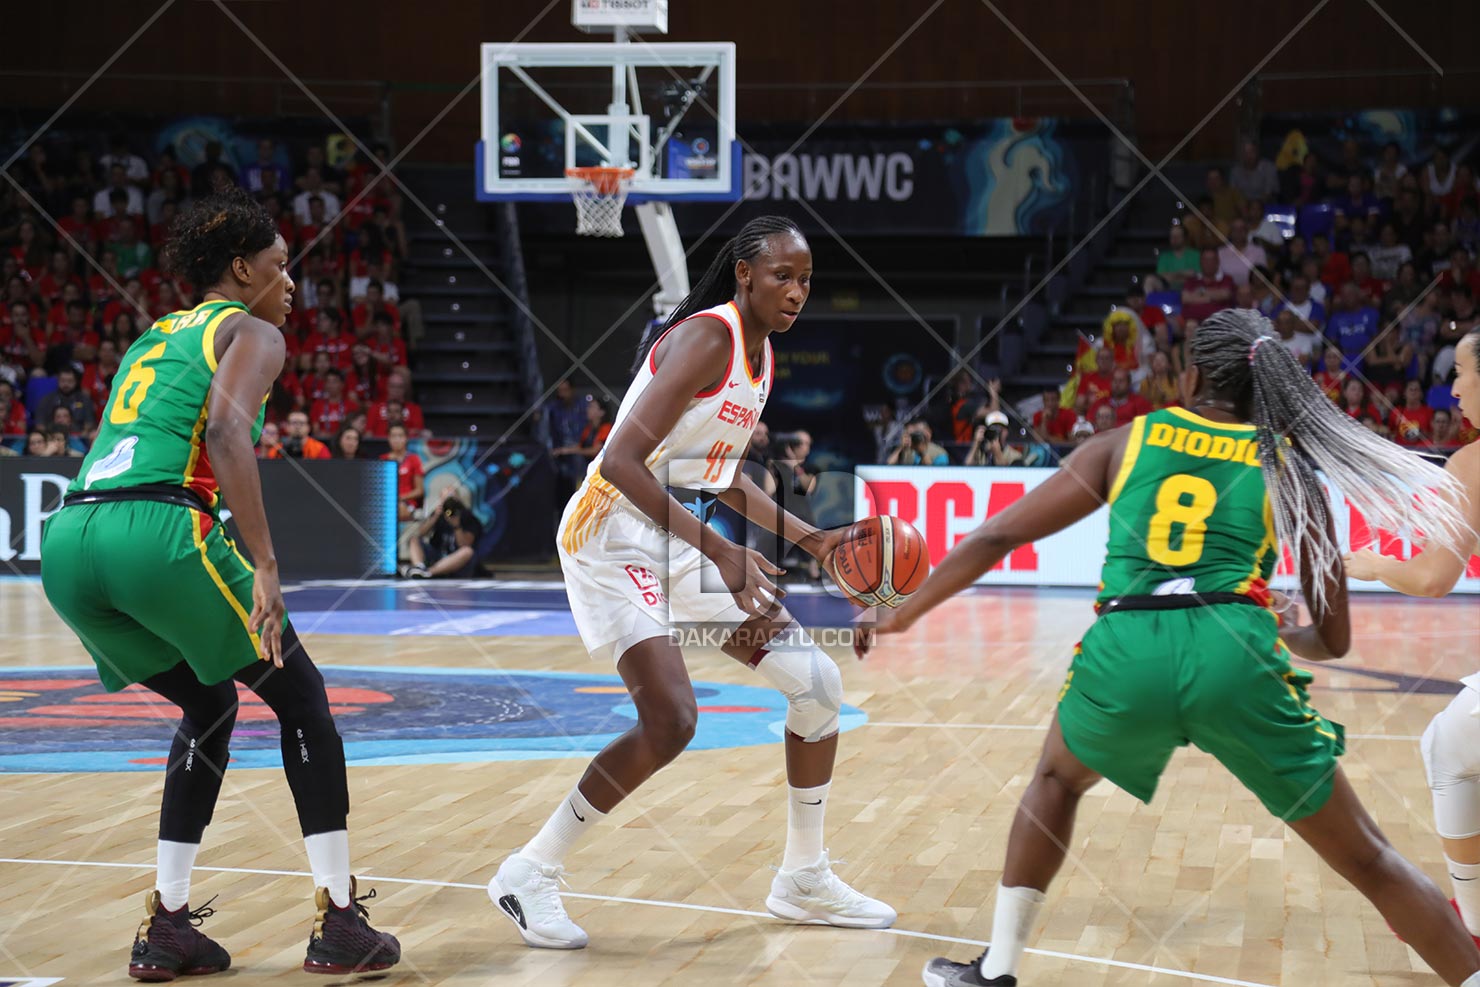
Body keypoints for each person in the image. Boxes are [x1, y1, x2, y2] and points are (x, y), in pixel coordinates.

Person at [858, 309, 1480, 987]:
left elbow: (994, 537)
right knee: (1368, 858)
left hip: (1128, 647)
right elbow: (1333, 639)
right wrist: (1283, 630)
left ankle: (997, 968)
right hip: (1235, 651)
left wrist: (900, 611)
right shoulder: (1291, 465)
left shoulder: (1129, 440)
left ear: (1189, 376)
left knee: (1056, 780)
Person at [487, 216, 893, 951]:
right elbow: (619, 462)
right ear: (744, 273)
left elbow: (721, 472)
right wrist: (723, 553)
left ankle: (802, 877)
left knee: (819, 686)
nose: (797, 291)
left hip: (673, 533)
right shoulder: (710, 337)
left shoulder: (760, 358)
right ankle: (529, 869)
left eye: (806, 280)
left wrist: (814, 539)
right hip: (611, 534)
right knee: (672, 719)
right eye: (783, 276)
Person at [38, 187, 399, 979]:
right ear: (242, 269)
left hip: (69, 544)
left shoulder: (149, 338)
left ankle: (168, 926)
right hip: (159, 530)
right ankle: (339, 922)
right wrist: (267, 565)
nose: (291, 282)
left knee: (209, 702)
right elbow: (229, 432)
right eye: (279, 265)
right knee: (302, 698)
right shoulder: (252, 329)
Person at [1345, 327, 1480, 951]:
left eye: (1461, 372)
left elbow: (1431, 576)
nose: (1451, 387)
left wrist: (1371, 566)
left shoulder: (1471, 464)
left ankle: (1472, 925)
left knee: (1448, 749)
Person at [403, 489, 484, 578]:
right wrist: (435, 516)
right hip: (438, 555)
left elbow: (465, 544)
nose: (449, 505)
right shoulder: (437, 515)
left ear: (458, 499)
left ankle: (428, 572)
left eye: (452, 498)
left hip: (457, 559)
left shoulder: (469, 518)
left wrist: (456, 526)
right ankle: (419, 567)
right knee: (414, 539)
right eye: (446, 499)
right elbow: (421, 533)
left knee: (467, 551)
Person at [381, 422, 424, 522]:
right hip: (387, 503)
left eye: (400, 436)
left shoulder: (414, 459)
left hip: (407, 503)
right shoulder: (382, 459)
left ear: (406, 438)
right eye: (393, 436)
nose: (397, 440)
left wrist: (400, 498)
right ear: (388, 438)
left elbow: (419, 490)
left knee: (399, 508)